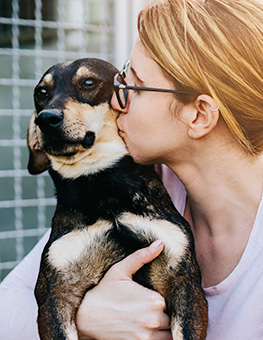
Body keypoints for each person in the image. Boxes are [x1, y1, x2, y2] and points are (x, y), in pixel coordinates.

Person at [1, 0, 263, 338]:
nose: (114, 100)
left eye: (132, 86)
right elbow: (10, 301)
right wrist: (86, 320)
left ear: (198, 115)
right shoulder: (139, 180)